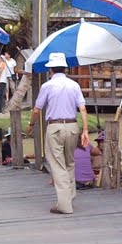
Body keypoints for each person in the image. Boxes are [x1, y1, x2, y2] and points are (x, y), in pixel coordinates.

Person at [29, 52, 89, 214]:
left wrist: (31, 124)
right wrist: (85, 130)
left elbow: (37, 110)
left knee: (57, 164)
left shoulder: (47, 86)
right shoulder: (74, 85)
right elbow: (82, 108)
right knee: (69, 162)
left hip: (54, 127)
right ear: (65, 69)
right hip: (72, 126)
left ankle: (64, 205)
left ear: (51, 70)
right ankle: (69, 196)